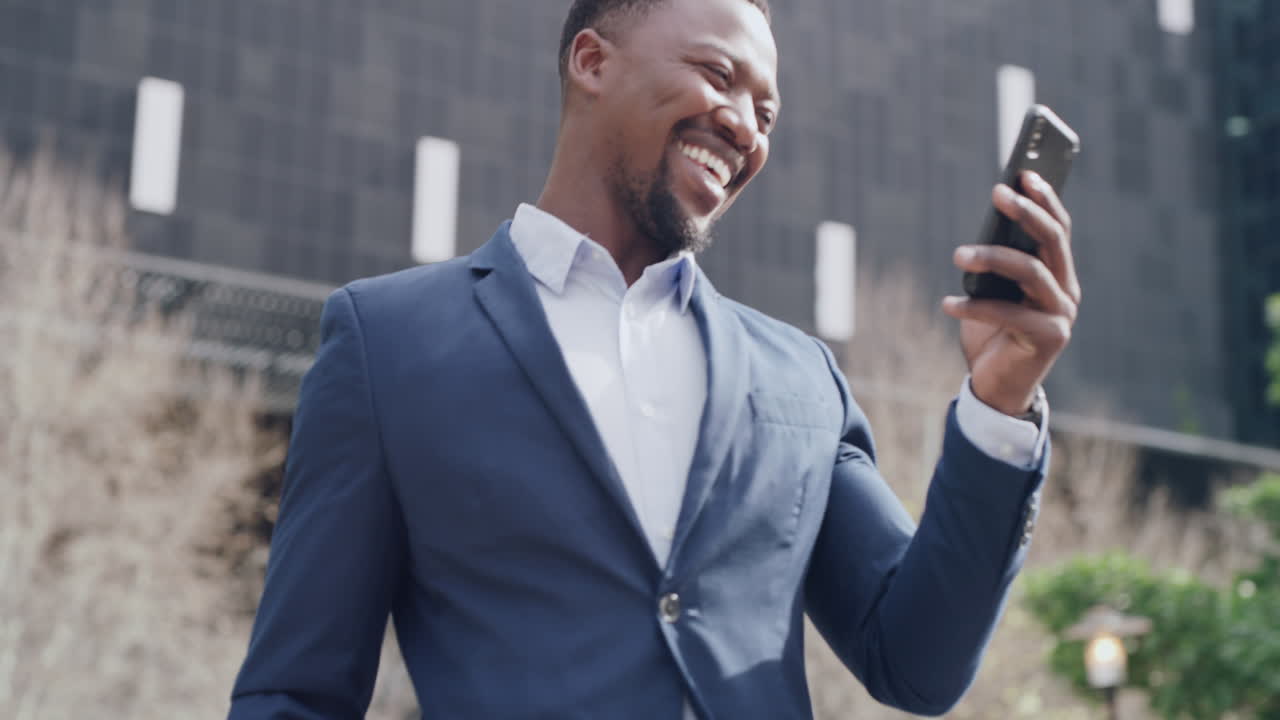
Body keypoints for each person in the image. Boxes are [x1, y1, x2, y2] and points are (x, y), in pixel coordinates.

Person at [229, 0, 1081, 717]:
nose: (745, 124)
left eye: (767, 111)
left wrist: (999, 403)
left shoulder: (801, 377)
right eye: (718, 76)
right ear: (593, 62)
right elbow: (295, 695)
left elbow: (918, 661)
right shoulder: (387, 341)